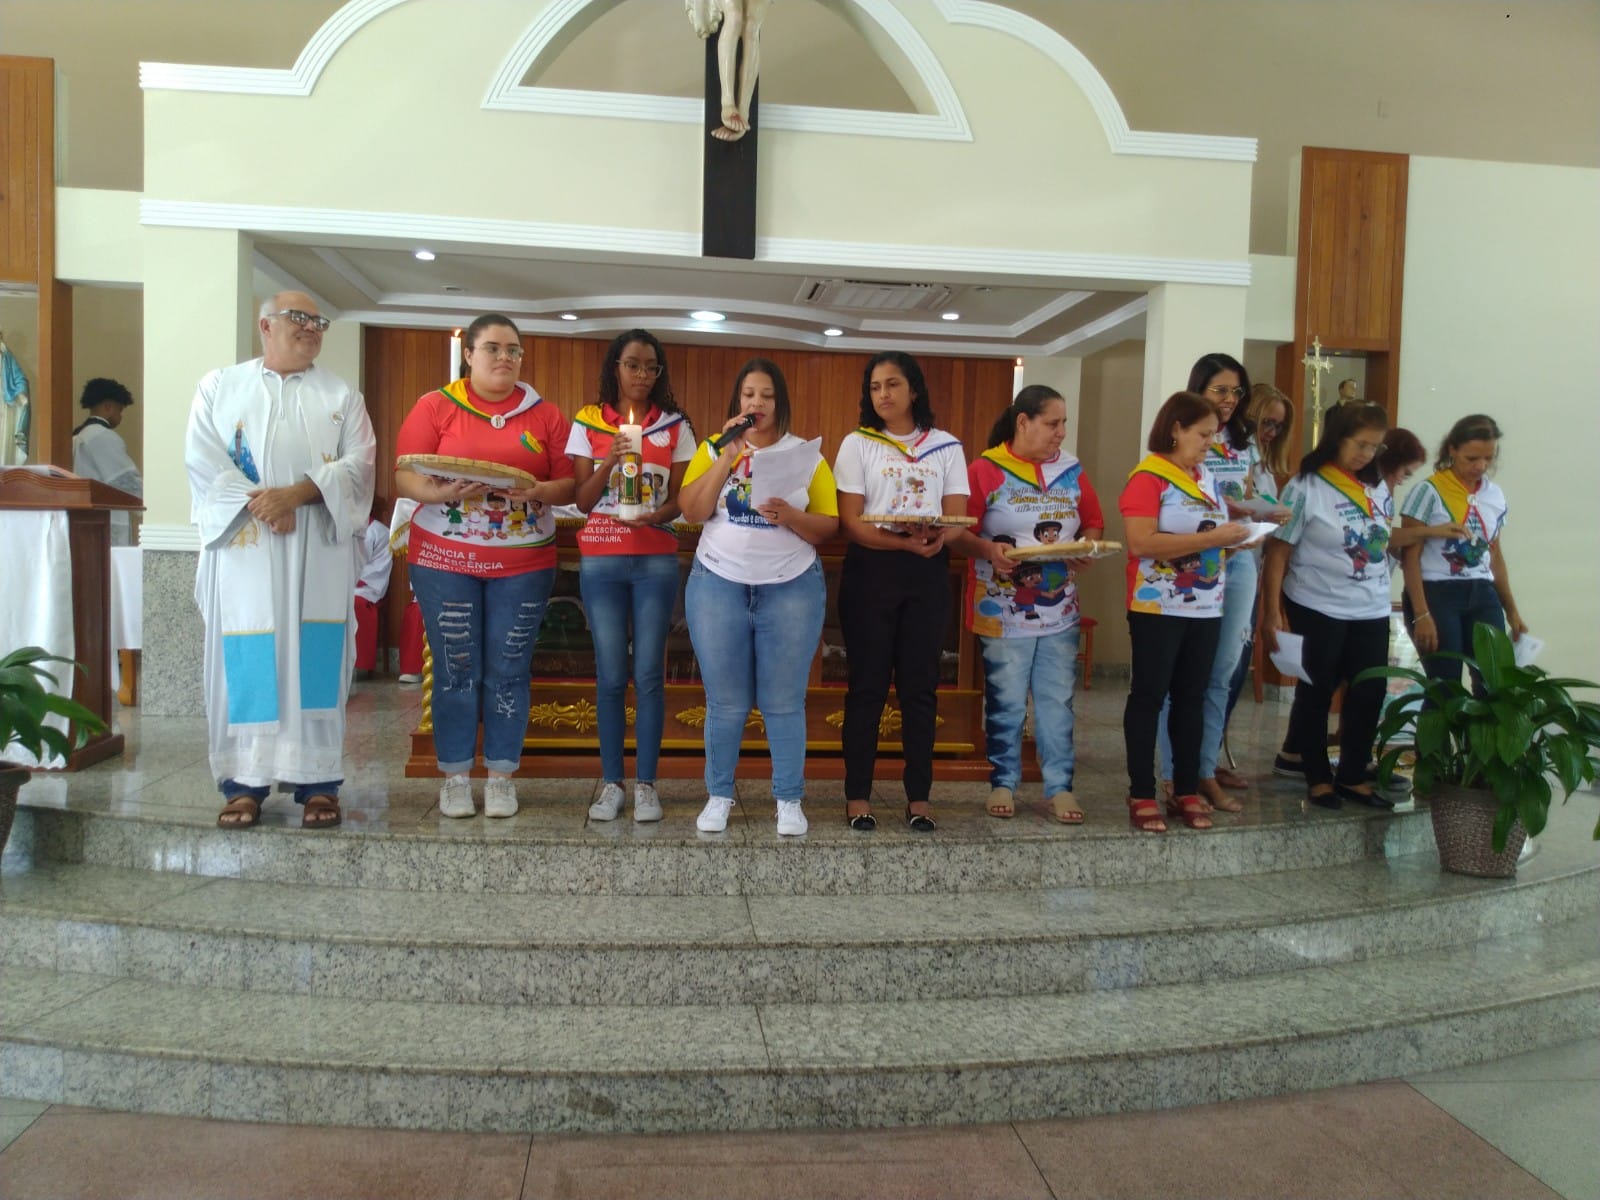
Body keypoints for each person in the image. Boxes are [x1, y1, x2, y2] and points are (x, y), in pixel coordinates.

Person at [187, 292, 375, 830]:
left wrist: (296, 495)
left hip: (317, 546)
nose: (312, 327)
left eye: (319, 321)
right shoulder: (220, 386)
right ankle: (243, 785)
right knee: (249, 655)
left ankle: (319, 784)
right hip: (246, 546)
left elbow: (360, 465)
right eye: (300, 318)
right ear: (265, 325)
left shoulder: (341, 393)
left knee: (316, 660)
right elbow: (203, 460)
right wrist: (265, 505)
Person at [395, 314, 575, 819]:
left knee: (509, 667)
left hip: (523, 561)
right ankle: (455, 776)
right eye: (493, 348)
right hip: (444, 558)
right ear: (469, 355)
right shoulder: (436, 406)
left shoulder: (546, 415)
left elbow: (568, 483)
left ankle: (500, 776)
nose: (505, 357)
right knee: (456, 666)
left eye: (513, 350)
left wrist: (538, 490)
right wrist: (438, 493)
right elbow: (405, 472)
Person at [677, 358, 838, 836]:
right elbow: (691, 511)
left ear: (779, 403)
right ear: (737, 402)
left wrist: (791, 516)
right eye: (749, 395)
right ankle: (718, 795)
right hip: (718, 582)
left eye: (767, 395)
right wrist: (727, 455)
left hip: (791, 586)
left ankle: (788, 799)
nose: (757, 403)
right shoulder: (714, 448)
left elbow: (828, 526)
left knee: (783, 700)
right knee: (725, 701)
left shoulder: (806, 456)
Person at [944, 386, 1102, 825]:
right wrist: (987, 549)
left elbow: (1093, 520)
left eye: (1064, 423)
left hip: (1060, 610)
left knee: (1057, 701)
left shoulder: (1071, 469)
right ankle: (1003, 781)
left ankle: (1060, 786)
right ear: (1023, 422)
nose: (1061, 432)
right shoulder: (985, 469)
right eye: (1052, 423)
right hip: (1003, 612)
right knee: (1007, 701)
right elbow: (957, 533)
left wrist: (1086, 545)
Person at [833, 351, 968, 832]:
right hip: (871, 571)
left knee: (920, 687)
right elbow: (851, 522)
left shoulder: (946, 446)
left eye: (892, 384)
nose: (883, 394)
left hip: (927, 571)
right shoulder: (858, 443)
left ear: (914, 389)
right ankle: (857, 796)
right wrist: (901, 542)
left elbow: (956, 516)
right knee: (866, 687)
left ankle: (919, 798)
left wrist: (936, 538)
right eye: (875, 387)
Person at [567, 329, 696, 823]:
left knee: (647, 673)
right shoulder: (588, 420)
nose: (642, 375)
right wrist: (610, 460)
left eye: (650, 367)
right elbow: (582, 500)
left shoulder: (675, 427)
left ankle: (646, 785)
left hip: (654, 559)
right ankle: (611, 783)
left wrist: (655, 516)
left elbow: (680, 501)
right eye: (632, 365)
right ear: (615, 368)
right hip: (601, 558)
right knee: (610, 674)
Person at [1119, 392, 1247, 833]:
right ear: (1176, 429)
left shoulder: (1205, 477)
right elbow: (1141, 542)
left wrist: (1237, 539)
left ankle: (1186, 787)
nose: (1210, 443)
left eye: (1214, 435)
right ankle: (1141, 792)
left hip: (1205, 605)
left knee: (1192, 697)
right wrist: (1214, 540)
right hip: (1158, 604)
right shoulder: (1149, 477)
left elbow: (1209, 535)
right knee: (1149, 696)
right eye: (1203, 434)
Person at [1157, 353, 1279, 811]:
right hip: (1196, 559)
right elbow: (1177, 502)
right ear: (1200, 390)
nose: (1230, 399)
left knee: (1222, 672)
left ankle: (1204, 770)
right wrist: (1233, 513)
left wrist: (1261, 510)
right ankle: (1174, 775)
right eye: (1221, 390)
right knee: (1182, 675)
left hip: (1240, 558)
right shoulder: (1183, 437)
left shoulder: (1244, 442)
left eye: (1236, 391)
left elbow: (1245, 494)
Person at [1261, 404, 1396, 808]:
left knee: (1370, 690)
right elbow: (1279, 552)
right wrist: (1272, 611)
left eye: (1374, 447)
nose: (1367, 454)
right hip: (1316, 603)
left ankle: (1353, 775)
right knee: (1317, 690)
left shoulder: (1378, 487)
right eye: (1360, 445)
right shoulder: (1305, 486)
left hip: (1371, 606)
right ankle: (1317, 776)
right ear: (1338, 438)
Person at [1399, 414, 1526, 687]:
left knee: (1493, 683)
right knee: (1446, 685)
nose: (1481, 466)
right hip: (1437, 592)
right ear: (1452, 450)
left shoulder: (1494, 495)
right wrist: (1421, 613)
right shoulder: (1429, 491)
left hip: (1482, 592)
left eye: (1488, 458)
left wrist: (1512, 610)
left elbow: (1495, 555)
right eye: (1471, 458)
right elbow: (1410, 557)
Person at [72, 377, 143, 546]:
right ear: (108, 407)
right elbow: (124, 480)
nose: (120, 416)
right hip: (106, 517)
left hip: (83, 515)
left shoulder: (78, 434)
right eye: (120, 410)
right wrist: (154, 502)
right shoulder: (101, 436)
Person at [352, 503, 392, 679]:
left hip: (367, 587)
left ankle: (359, 665)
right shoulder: (342, 527)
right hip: (344, 585)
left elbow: (372, 565)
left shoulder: (378, 531)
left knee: (356, 605)